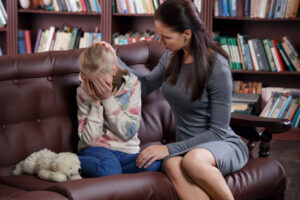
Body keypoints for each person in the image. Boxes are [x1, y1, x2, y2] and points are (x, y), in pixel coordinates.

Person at [115, 0, 249, 199]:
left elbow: (218, 131)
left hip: (221, 144)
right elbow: (144, 86)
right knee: (172, 163)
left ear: (187, 34)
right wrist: (113, 60)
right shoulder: (170, 58)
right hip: (186, 148)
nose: (160, 42)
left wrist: (167, 148)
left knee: (192, 160)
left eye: (166, 36)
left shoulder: (217, 67)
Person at [76, 45, 161, 178]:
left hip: (127, 152)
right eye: (88, 80)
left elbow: (128, 133)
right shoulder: (84, 90)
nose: (95, 87)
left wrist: (108, 99)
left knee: (155, 164)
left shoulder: (133, 86)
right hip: (97, 150)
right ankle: (68, 161)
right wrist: (96, 103)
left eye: (100, 82)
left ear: (114, 71)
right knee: (109, 169)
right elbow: (88, 141)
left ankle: (114, 170)